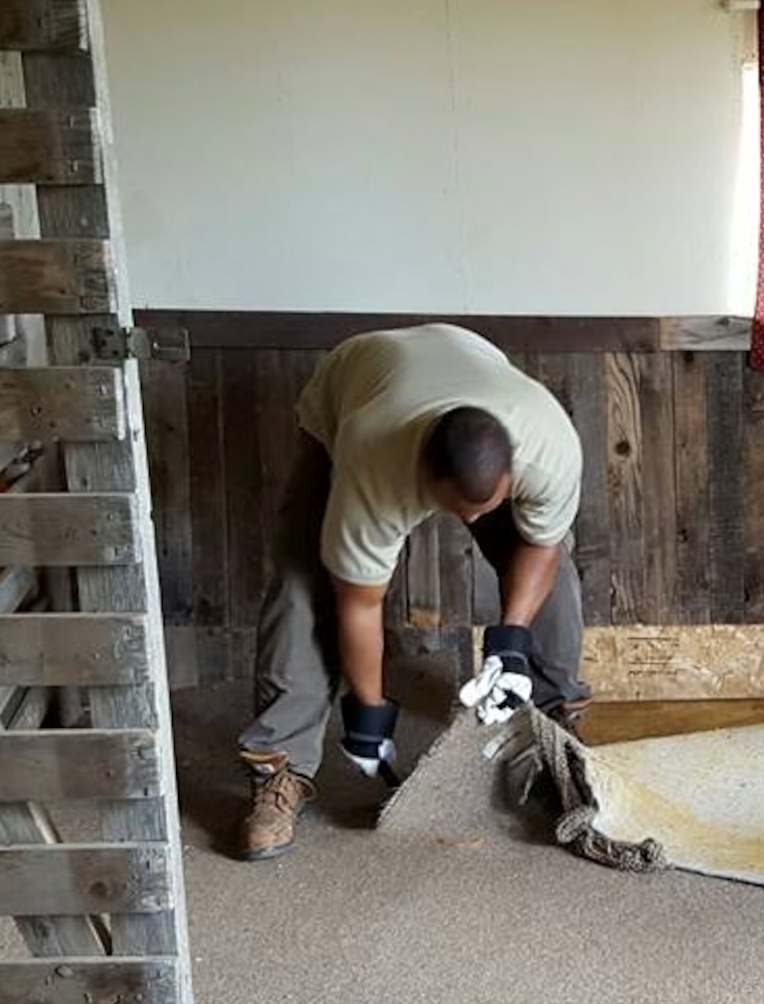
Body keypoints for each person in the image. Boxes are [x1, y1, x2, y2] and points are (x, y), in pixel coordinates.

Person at [235, 321, 589, 860]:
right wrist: (368, 713)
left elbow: (540, 550)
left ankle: (555, 731)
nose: (468, 520)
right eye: (456, 507)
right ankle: (279, 768)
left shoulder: (549, 446)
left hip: (470, 367)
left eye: (483, 506)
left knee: (552, 568)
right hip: (355, 383)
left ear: (512, 474)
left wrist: (511, 639)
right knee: (303, 578)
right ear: (423, 473)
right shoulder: (374, 459)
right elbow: (359, 601)